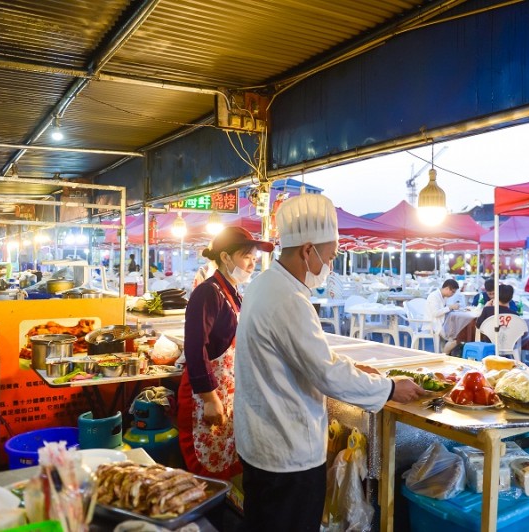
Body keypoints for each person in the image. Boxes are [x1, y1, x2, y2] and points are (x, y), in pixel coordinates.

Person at [234, 194, 425, 531]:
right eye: (331, 256)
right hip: (286, 454)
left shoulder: (264, 284)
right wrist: (390, 387)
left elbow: (309, 354)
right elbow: (325, 373)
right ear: (308, 251)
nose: (330, 266)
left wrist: (353, 368)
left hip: (261, 444)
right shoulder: (288, 299)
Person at [176, 226, 274, 480]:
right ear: (226, 257)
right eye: (246, 257)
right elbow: (195, 347)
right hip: (206, 396)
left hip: (227, 394)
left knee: (222, 471)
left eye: (254, 259)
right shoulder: (208, 292)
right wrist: (209, 398)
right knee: (205, 477)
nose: (252, 265)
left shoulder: (233, 293)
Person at [426, 279, 461, 354]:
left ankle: (445, 353)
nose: (453, 294)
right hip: (434, 324)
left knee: (459, 332)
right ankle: (444, 354)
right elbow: (435, 313)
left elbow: (442, 309)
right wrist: (450, 307)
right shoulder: (434, 296)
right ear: (447, 288)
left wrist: (450, 307)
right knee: (456, 337)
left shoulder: (443, 297)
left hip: (442, 323)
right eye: (453, 292)